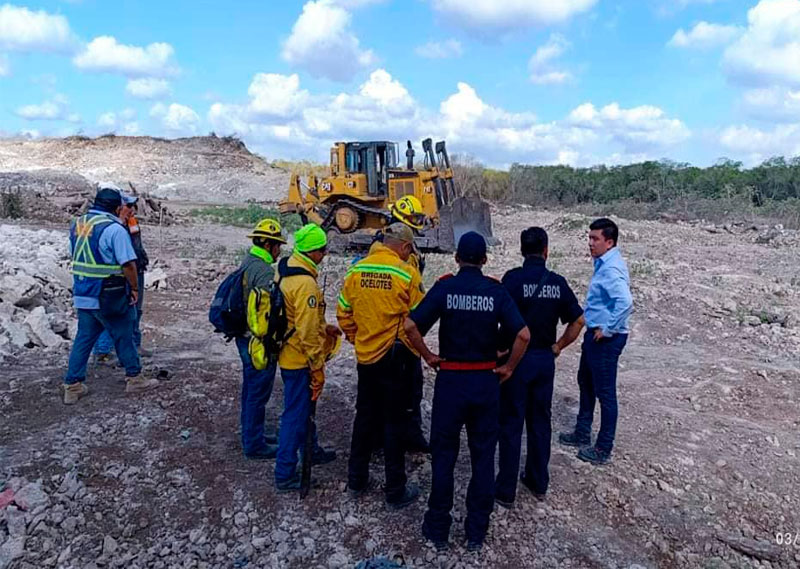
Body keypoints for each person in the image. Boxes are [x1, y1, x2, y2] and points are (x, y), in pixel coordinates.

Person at [404, 232, 530, 552]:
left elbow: (409, 327)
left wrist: (428, 356)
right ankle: (476, 531)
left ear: (457, 259)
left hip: (451, 382)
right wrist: (509, 368)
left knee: (444, 457)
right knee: (483, 457)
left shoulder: (445, 287)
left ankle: (437, 527)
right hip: (485, 383)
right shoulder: (495, 291)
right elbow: (524, 335)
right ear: (485, 260)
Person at [495, 227, 585, 507]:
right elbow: (579, 321)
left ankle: (506, 491)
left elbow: (496, 317)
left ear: (522, 251)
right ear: (546, 250)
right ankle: (538, 481)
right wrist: (558, 346)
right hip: (544, 360)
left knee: (511, 423)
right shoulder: (557, 283)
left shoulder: (511, 279)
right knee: (540, 422)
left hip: (516, 359)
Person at [337, 223, 425, 509]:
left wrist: (356, 337)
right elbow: (418, 318)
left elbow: (343, 311)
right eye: (409, 249)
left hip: (366, 356)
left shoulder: (356, 270)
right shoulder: (406, 273)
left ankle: (356, 480)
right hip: (395, 357)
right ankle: (395, 490)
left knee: (364, 418)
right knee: (394, 422)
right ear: (402, 246)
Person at [63, 185, 159, 405]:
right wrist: (134, 289)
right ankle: (134, 377)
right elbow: (128, 264)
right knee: (124, 333)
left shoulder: (78, 224)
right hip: (108, 294)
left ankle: (72, 385)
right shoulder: (114, 229)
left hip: (83, 291)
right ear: (117, 208)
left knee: (84, 338)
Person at [559, 218, 633, 465]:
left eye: (595, 239)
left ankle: (603, 448)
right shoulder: (605, 263)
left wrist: (609, 329)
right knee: (586, 383)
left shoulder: (611, 269)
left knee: (605, 393)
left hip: (605, 339)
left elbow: (625, 302)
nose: (590, 243)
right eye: (589, 238)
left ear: (609, 242)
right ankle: (582, 432)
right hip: (595, 335)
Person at [274, 223, 341, 492]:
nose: (324, 255)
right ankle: (285, 472)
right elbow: (307, 331)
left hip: (289, 353)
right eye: (322, 250)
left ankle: (310, 449)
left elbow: (297, 318)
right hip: (299, 359)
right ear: (313, 252)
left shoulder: (286, 268)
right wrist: (317, 366)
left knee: (301, 411)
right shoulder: (305, 285)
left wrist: (326, 328)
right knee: (295, 414)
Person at [236, 218, 287, 459]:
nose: (280, 251)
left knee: (250, 388)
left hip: (243, 336)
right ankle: (254, 444)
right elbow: (268, 312)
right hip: (257, 341)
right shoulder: (264, 271)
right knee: (258, 390)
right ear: (268, 245)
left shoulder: (248, 262)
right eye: (278, 245)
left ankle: (251, 433)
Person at [93, 193, 151, 361]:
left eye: (134, 206)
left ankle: (134, 344)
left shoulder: (131, 223)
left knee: (135, 311)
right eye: (129, 206)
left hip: (136, 271)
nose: (132, 210)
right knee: (112, 314)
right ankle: (104, 351)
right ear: (118, 207)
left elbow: (136, 248)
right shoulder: (111, 227)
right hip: (118, 276)